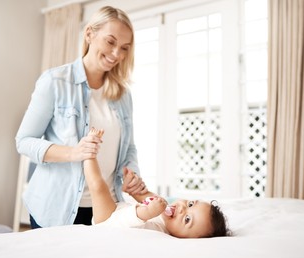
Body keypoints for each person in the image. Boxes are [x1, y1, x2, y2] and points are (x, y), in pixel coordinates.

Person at [15, 6, 147, 228]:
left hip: (106, 208)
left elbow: (129, 148)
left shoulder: (123, 95)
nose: (117, 54)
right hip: (56, 209)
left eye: (124, 48)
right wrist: (74, 152)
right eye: (110, 42)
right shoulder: (55, 82)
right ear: (89, 34)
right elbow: (24, 141)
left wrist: (131, 173)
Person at [85, 127, 230, 238]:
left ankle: (89, 150)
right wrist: (137, 189)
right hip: (119, 210)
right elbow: (147, 197)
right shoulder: (167, 212)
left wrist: (147, 211)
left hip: (109, 221)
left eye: (187, 219)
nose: (181, 209)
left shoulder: (160, 234)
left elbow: (136, 220)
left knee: (98, 186)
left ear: (186, 239)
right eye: (190, 204)